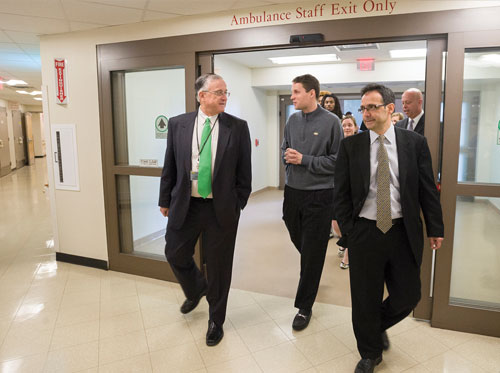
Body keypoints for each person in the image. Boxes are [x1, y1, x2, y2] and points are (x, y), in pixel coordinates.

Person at [334, 83, 444, 372]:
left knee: (409, 295)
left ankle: (375, 325)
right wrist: (350, 231)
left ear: (389, 108)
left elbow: (427, 189)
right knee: (365, 296)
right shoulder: (351, 146)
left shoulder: (414, 143)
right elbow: (341, 194)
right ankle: (370, 352)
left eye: (372, 107)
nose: (366, 113)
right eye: (363, 107)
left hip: (401, 230)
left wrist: (435, 227)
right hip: (365, 231)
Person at [159, 73, 252, 347]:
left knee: (219, 267)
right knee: (174, 252)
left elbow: (244, 172)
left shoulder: (238, 127)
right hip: (186, 206)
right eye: (219, 92)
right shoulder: (178, 125)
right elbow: (171, 167)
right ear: (202, 96)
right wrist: (165, 200)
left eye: (226, 92)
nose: (224, 97)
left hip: (220, 209)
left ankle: (216, 321)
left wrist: (238, 203)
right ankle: (195, 287)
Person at [282, 74, 343, 331]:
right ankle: (312, 263)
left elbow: (337, 160)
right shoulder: (292, 120)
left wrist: (304, 160)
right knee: (307, 247)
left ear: (312, 94)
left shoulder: (332, 122)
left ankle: (304, 307)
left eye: (296, 92)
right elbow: (285, 149)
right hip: (292, 192)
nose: (292, 96)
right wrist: (287, 156)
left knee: (313, 250)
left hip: (320, 195)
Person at [336, 114, 359, 269]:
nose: (347, 128)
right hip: (338, 188)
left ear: (355, 127)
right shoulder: (337, 144)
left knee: (352, 223)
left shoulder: (360, 144)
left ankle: (348, 255)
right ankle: (345, 241)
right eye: (344, 125)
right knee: (335, 222)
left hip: (355, 189)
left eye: (349, 125)